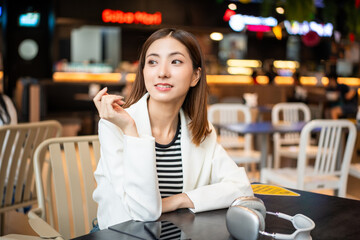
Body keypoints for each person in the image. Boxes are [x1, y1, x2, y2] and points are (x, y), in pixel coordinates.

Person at [92, 28, 253, 230]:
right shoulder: (115, 124)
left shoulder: (201, 130)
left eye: (175, 61)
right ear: (143, 72)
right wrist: (130, 129)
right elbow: (145, 212)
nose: (162, 72)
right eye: (152, 62)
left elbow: (241, 187)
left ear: (195, 76)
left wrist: (179, 200)